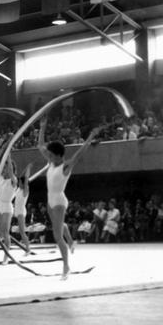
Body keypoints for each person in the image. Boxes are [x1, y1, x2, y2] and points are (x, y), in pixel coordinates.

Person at [38, 117, 102, 279]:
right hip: (50, 200)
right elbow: (40, 146)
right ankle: (72, 242)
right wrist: (43, 127)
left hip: (59, 201)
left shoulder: (65, 166)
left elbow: (80, 153)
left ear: (59, 155)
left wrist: (91, 136)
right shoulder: (52, 162)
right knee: (59, 227)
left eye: (51, 155)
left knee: (57, 236)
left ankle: (66, 266)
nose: (48, 157)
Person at [0, 154, 17, 265]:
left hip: (8, 206)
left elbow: (10, 169)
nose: (5, 169)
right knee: (1, 233)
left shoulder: (14, 180)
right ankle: (5, 248)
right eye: (4, 168)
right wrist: (3, 150)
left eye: (7, 168)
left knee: (5, 231)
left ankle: (6, 256)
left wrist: (8, 154)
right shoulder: (0, 178)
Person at [14, 163, 33, 256]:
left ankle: (28, 250)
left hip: (21, 211)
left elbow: (25, 180)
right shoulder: (19, 189)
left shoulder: (25, 190)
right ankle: (27, 248)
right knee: (21, 231)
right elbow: (21, 177)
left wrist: (28, 169)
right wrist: (25, 167)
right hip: (17, 211)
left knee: (22, 231)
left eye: (20, 182)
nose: (19, 183)